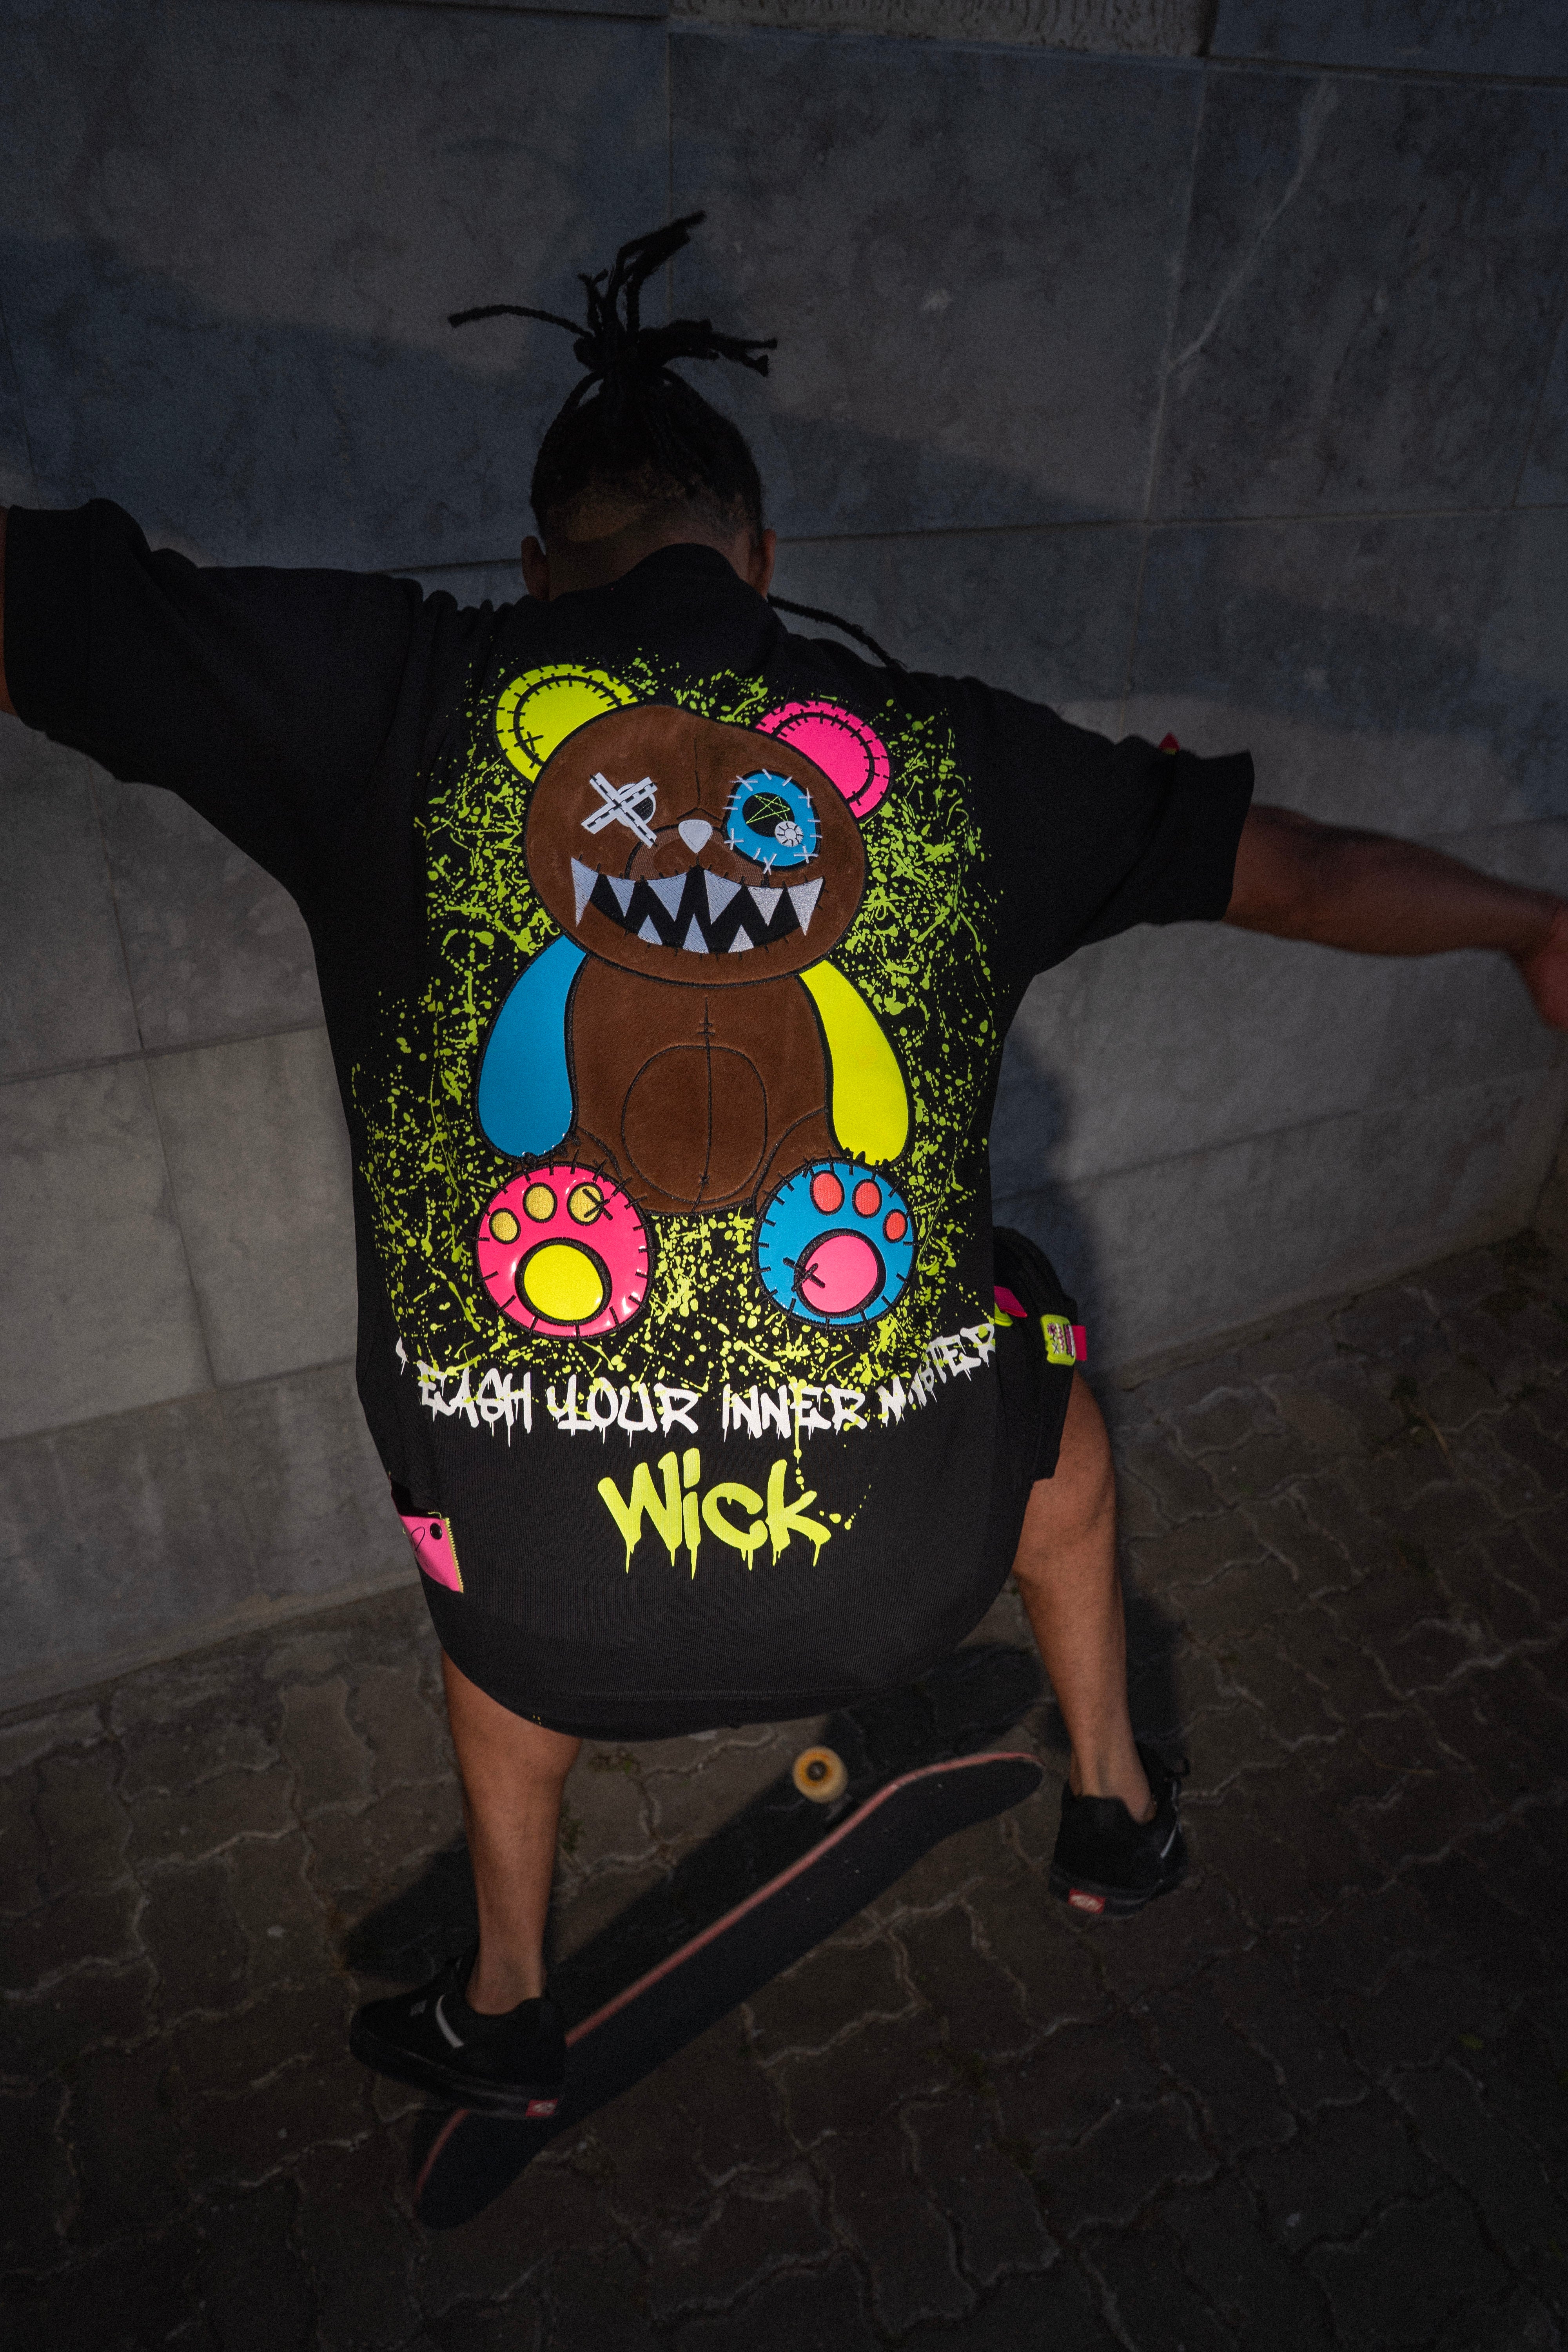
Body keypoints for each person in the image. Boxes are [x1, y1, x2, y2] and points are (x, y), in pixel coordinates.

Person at [2, 216, 1564, 2126]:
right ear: (759, 560)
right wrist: (1533, 926)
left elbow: (46, 608)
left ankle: (504, 2004)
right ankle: (1114, 1807)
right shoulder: (953, 763)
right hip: (909, 1573)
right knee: (1038, 1358)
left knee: (489, 1518)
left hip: (541, 1608)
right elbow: (1303, 871)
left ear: (533, 568)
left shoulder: (391, 703)